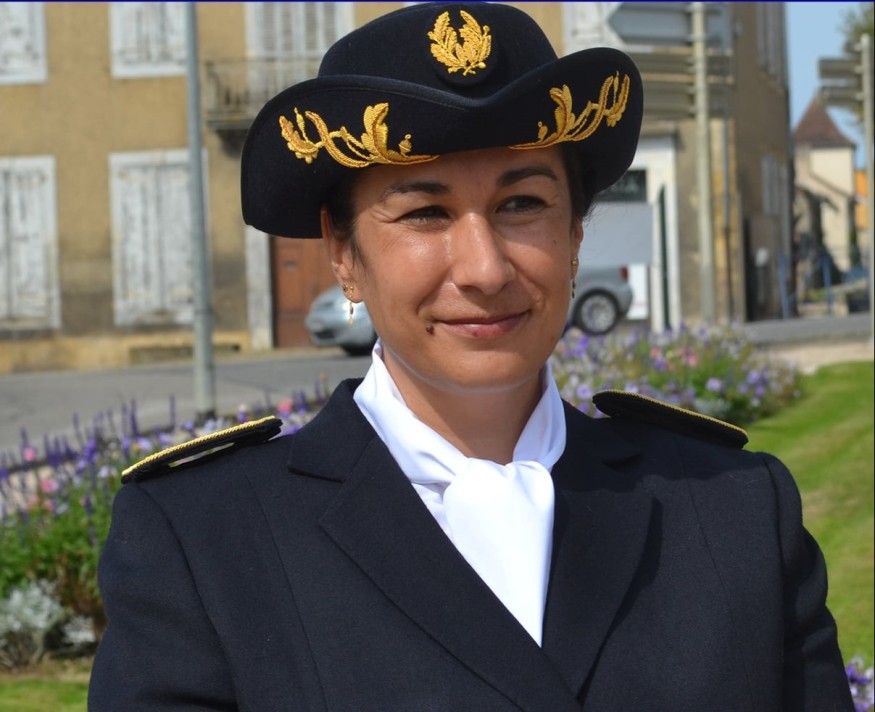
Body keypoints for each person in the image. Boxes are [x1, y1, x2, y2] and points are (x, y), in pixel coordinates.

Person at [88, 3, 854, 710]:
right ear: (342, 251)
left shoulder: (732, 510)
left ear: (574, 232)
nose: (485, 269)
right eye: (425, 212)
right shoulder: (205, 541)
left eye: (522, 204)